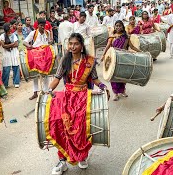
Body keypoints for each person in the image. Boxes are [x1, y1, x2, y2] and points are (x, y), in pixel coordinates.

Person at [48, 33, 109, 175]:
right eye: (70, 44)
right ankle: (62, 160)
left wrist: (103, 87)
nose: (72, 46)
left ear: (81, 46)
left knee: (82, 127)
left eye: (76, 44)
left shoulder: (89, 61)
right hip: (67, 97)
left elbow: (95, 79)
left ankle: (82, 156)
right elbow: (57, 78)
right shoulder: (65, 60)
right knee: (61, 124)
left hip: (83, 97)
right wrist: (49, 89)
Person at [101, 20, 141, 101]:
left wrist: (141, 52)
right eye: (116, 26)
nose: (118, 27)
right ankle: (115, 93)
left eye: (120, 26)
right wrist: (103, 55)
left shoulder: (126, 37)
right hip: (114, 59)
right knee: (114, 76)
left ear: (123, 27)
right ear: (114, 27)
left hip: (123, 58)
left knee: (123, 76)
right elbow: (108, 46)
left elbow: (132, 47)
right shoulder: (112, 37)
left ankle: (122, 90)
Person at [23, 18, 52, 100]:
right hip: (36, 56)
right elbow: (24, 42)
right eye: (41, 26)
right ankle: (35, 92)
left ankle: (46, 92)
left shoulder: (48, 32)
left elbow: (49, 42)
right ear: (38, 25)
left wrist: (50, 43)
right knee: (35, 75)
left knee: (46, 73)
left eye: (44, 26)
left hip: (45, 56)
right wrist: (30, 46)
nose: (43, 27)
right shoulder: (33, 33)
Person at [0, 23, 20, 88]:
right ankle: (5, 83)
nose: (12, 27)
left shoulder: (14, 35)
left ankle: (16, 82)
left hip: (14, 53)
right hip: (6, 54)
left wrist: (8, 45)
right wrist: (12, 44)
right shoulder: (2, 36)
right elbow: (3, 46)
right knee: (6, 68)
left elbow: (17, 44)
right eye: (10, 26)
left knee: (16, 67)